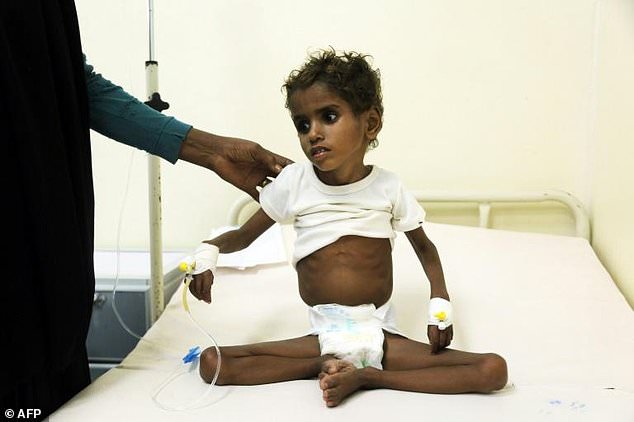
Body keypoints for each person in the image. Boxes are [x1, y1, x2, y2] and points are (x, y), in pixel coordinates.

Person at [0, 2, 290, 419]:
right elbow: (238, 236)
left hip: (50, 270)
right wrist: (208, 253)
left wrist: (211, 150)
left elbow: (68, 80)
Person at [188, 49, 508, 408]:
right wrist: (208, 251)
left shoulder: (388, 187)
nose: (313, 134)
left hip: (380, 334)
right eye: (303, 124)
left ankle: (370, 376)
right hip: (322, 334)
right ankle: (322, 366)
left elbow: (425, 248)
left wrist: (440, 303)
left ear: (369, 124)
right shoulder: (294, 183)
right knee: (212, 363)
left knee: (493, 369)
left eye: (328, 116)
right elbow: (242, 237)